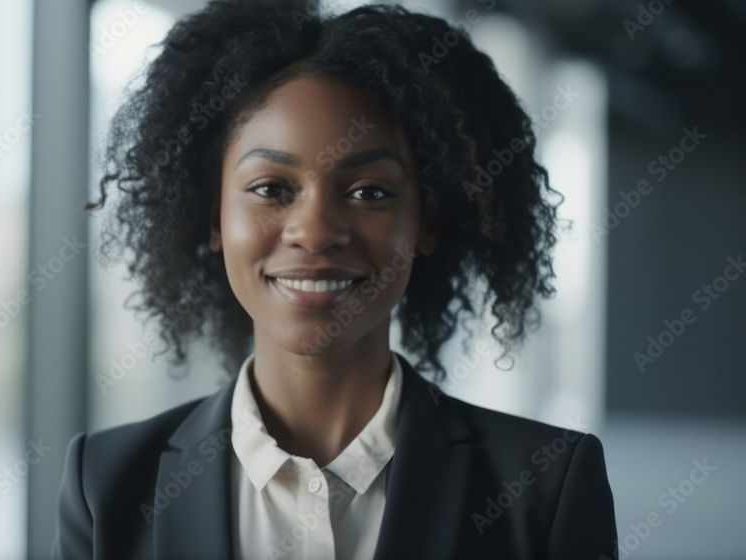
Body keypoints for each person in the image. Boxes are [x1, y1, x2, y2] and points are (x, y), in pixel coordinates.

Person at [52, 1, 617, 558]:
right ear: (213, 218)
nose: (316, 231)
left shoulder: (546, 485)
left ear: (427, 222)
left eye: (370, 191)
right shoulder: (104, 485)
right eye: (272, 188)